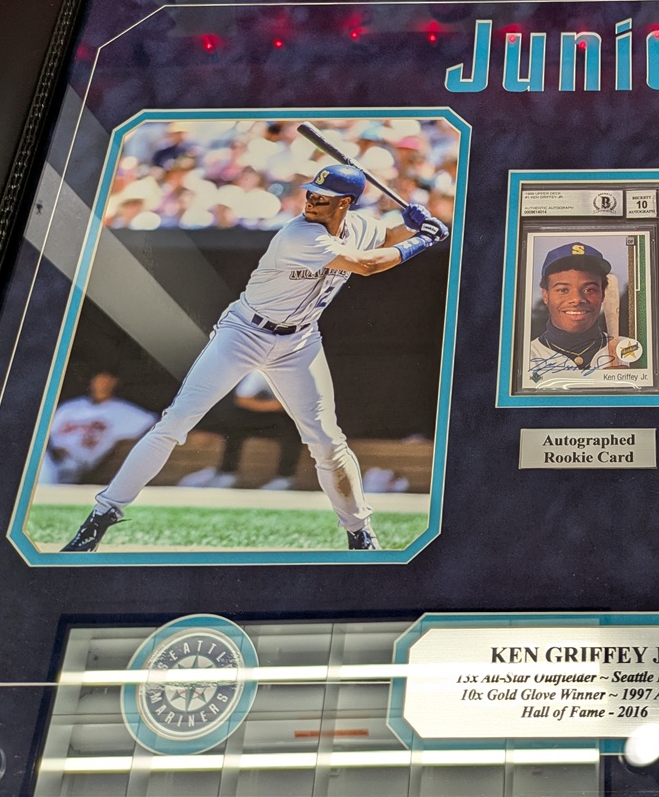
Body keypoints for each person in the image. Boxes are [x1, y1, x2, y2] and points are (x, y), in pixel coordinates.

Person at [61, 163, 450, 552]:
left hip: (299, 340)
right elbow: (367, 265)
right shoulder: (299, 234)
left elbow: (386, 238)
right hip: (245, 332)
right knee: (175, 422)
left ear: (345, 203)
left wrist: (411, 226)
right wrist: (422, 240)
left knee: (327, 441)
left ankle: (360, 533)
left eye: (323, 198)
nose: (311, 201)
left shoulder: (360, 226)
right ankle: (101, 517)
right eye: (312, 194)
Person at [527, 241, 640, 380]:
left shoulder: (632, 352)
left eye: (590, 289)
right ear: (545, 295)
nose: (577, 299)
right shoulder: (526, 356)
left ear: (603, 294)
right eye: (563, 290)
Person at [176, 370, 302, 491]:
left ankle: (285, 478)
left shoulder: (305, 373)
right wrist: (277, 406)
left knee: (293, 429)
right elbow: (242, 399)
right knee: (235, 426)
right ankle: (227, 474)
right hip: (270, 415)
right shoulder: (262, 372)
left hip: (295, 420)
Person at [39, 371, 155, 485]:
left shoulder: (123, 410)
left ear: (114, 382)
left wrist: (121, 448)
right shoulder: (70, 407)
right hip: (52, 460)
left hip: (80, 467)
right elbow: (45, 433)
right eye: (98, 381)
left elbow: (153, 425)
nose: (101, 385)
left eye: (106, 381)